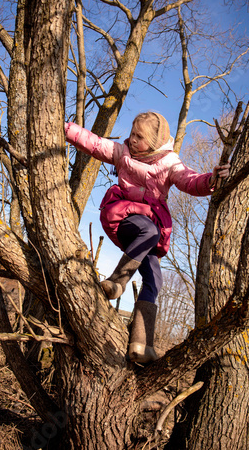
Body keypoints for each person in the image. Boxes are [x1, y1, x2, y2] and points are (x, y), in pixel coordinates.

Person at [65, 112, 230, 364]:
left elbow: (190, 180)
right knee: (149, 231)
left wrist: (212, 180)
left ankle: (141, 345)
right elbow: (95, 143)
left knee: (155, 279)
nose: (131, 140)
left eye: (138, 137)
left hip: (146, 232)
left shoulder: (169, 162)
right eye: (132, 134)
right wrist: (65, 128)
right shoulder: (122, 153)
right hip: (123, 218)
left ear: (154, 141)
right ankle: (118, 281)